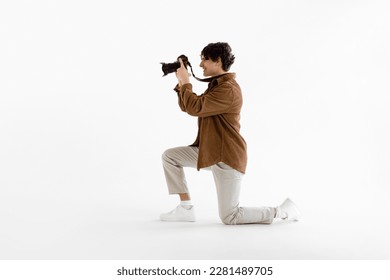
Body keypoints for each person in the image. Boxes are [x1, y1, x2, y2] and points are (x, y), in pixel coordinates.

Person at [160, 42, 300, 225]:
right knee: (170, 157)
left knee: (230, 217)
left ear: (218, 61)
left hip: (227, 157)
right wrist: (181, 83)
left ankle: (281, 211)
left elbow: (195, 107)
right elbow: (188, 106)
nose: (201, 64)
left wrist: (187, 82)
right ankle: (186, 208)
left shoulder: (229, 89)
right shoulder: (217, 85)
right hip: (211, 152)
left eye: (205, 60)